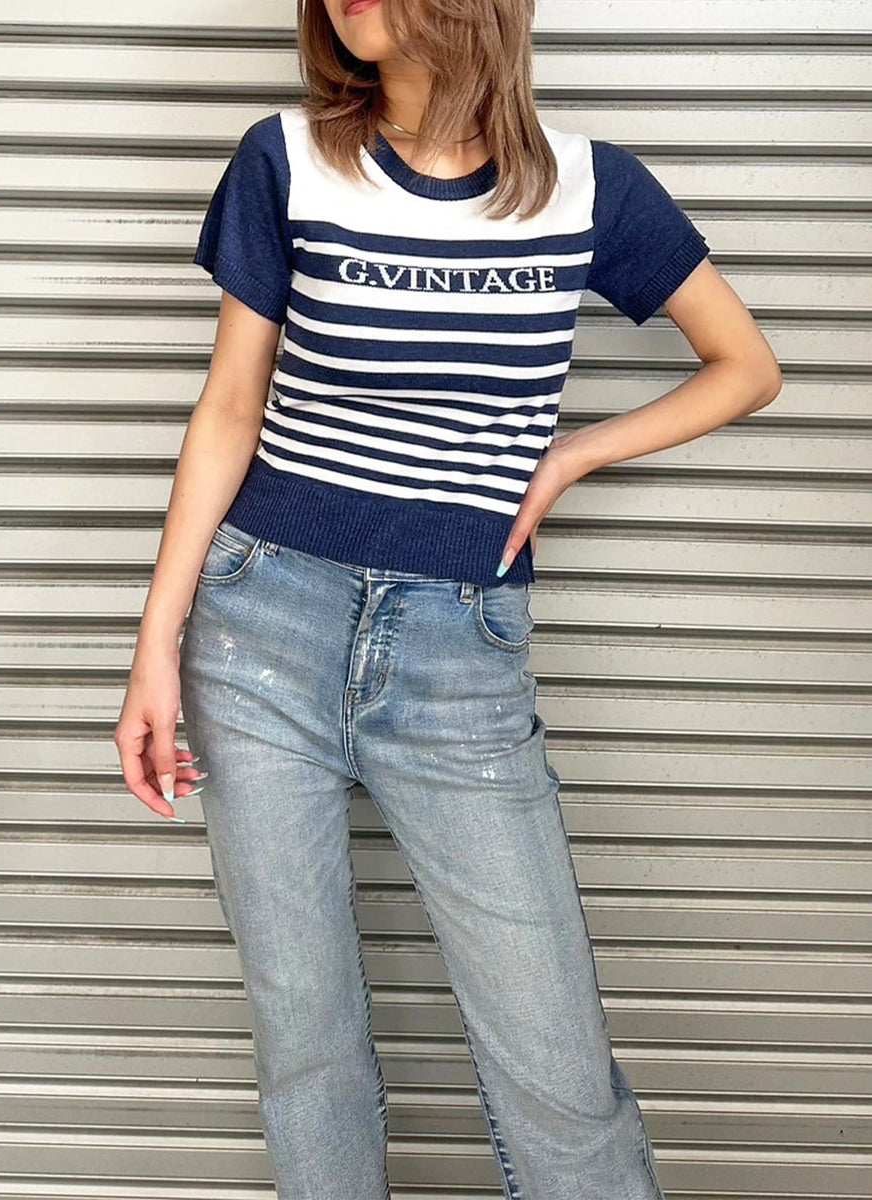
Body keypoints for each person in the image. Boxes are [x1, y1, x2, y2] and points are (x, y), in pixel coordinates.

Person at [114, 1, 781, 1197]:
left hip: (459, 655)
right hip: (260, 628)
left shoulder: (591, 189)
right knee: (306, 1046)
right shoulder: (285, 160)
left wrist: (571, 456)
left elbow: (748, 367)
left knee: (556, 1069)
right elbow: (229, 407)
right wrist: (155, 646)